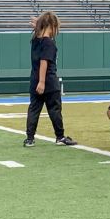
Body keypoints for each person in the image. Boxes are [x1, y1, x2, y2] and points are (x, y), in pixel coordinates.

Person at [24, 12, 77, 147]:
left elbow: (38, 35)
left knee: (34, 109)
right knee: (54, 109)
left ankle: (30, 138)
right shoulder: (49, 43)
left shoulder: (36, 40)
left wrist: (39, 25)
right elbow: (44, 62)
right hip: (48, 81)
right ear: (52, 26)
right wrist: (42, 82)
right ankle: (60, 136)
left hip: (34, 80)